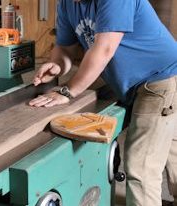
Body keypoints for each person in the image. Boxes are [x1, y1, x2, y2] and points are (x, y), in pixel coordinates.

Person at [29, 0, 177, 205]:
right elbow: (65, 48)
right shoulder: (66, 3)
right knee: (171, 152)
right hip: (136, 83)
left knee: (141, 167)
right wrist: (56, 65)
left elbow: (104, 49)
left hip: (161, 78)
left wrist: (68, 91)